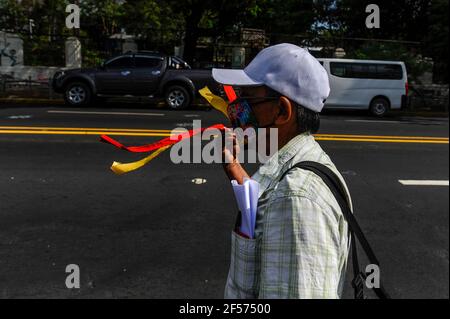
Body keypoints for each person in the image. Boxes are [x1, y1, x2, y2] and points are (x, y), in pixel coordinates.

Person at [212, 43, 353, 299]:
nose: (237, 108)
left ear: (282, 111)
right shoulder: (297, 165)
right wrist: (234, 168)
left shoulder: (296, 199)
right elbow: (264, 209)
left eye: (248, 99)